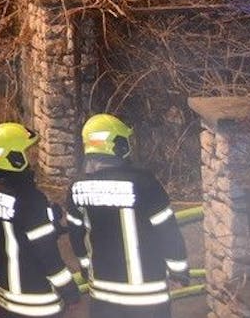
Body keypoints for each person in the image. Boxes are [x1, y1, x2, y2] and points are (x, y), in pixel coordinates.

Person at [65, 113, 189, 317]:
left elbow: (77, 237)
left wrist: (87, 270)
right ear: (119, 145)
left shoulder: (76, 187)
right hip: (147, 295)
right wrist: (179, 272)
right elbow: (168, 231)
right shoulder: (144, 183)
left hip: (103, 294)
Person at [0, 122, 82, 317]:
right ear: (14, 158)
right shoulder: (31, 200)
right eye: (26, 152)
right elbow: (47, 254)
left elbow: (13, 228)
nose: (32, 157)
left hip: (5, 294)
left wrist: (48, 219)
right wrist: (70, 292)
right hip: (36, 299)